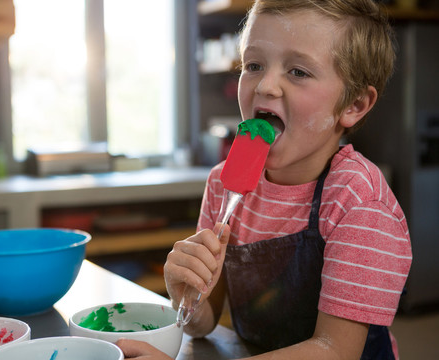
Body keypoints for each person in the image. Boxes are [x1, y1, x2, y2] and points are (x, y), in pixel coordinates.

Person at [117, 0, 412, 359]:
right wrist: (186, 294)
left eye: (298, 72)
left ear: (353, 105)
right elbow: (205, 323)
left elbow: (334, 351)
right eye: (253, 65)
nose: (266, 86)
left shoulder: (359, 204)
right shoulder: (223, 185)